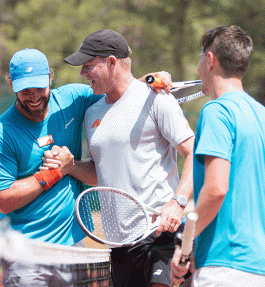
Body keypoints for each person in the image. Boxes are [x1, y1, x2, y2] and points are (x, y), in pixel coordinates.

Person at [0, 48, 170, 286]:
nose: (33, 96)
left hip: (73, 248)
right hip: (25, 252)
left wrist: (149, 80)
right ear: (11, 85)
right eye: (24, 90)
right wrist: (53, 173)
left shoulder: (72, 98)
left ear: (50, 78)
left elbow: (119, 91)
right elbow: (4, 199)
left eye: (39, 88)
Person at [169, 25, 265, 287]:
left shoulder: (216, 112)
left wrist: (184, 243)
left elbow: (216, 188)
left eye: (199, 57)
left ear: (210, 60)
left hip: (225, 268)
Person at [63, 29, 195, 287]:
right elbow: (102, 172)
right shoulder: (92, 114)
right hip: (121, 245)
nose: (82, 74)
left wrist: (177, 203)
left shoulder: (156, 98)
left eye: (89, 66)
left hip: (161, 236)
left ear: (112, 62)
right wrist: (72, 167)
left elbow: (194, 152)